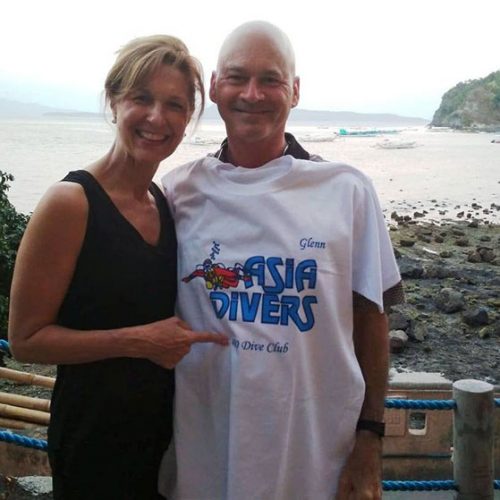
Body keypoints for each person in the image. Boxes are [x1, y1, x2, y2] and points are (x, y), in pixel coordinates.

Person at [159, 21, 404, 500]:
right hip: (205, 459)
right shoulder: (176, 192)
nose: (252, 94)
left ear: (294, 90)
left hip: (316, 463)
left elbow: (372, 320)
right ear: (215, 86)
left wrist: (370, 440)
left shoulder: (347, 190)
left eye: (270, 79)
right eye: (237, 77)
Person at [8, 35, 228, 500]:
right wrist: (139, 341)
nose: (157, 118)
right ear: (114, 101)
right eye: (142, 98)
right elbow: (26, 339)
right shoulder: (71, 202)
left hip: (166, 439)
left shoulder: (164, 202)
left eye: (174, 105)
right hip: (94, 442)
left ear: (188, 118)